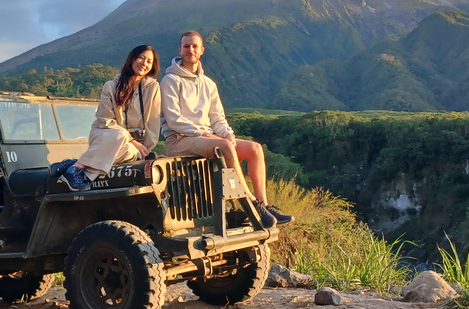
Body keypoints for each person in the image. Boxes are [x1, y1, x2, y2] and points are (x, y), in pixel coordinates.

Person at [160, 31, 292, 228]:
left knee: (254, 148)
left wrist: (228, 133)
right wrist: (205, 134)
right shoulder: (170, 81)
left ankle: (263, 203)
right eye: (186, 46)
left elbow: (217, 117)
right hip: (180, 140)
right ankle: (250, 203)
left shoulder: (208, 84)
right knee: (225, 147)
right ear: (180, 50)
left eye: (195, 46)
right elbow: (174, 120)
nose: (191, 50)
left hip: (207, 138)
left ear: (202, 50)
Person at [52, 45, 161, 191]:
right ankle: (75, 169)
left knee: (129, 151)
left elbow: (153, 122)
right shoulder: (111, 86)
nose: (144, 63)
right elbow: (105, 119)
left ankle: (76, 165)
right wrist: (131, 138)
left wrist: (146, 150)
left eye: (149, 61)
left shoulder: (153, 88)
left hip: (130, 146)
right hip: (105, 135)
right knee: (121, 134)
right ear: (132, 59)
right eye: (141, 57)